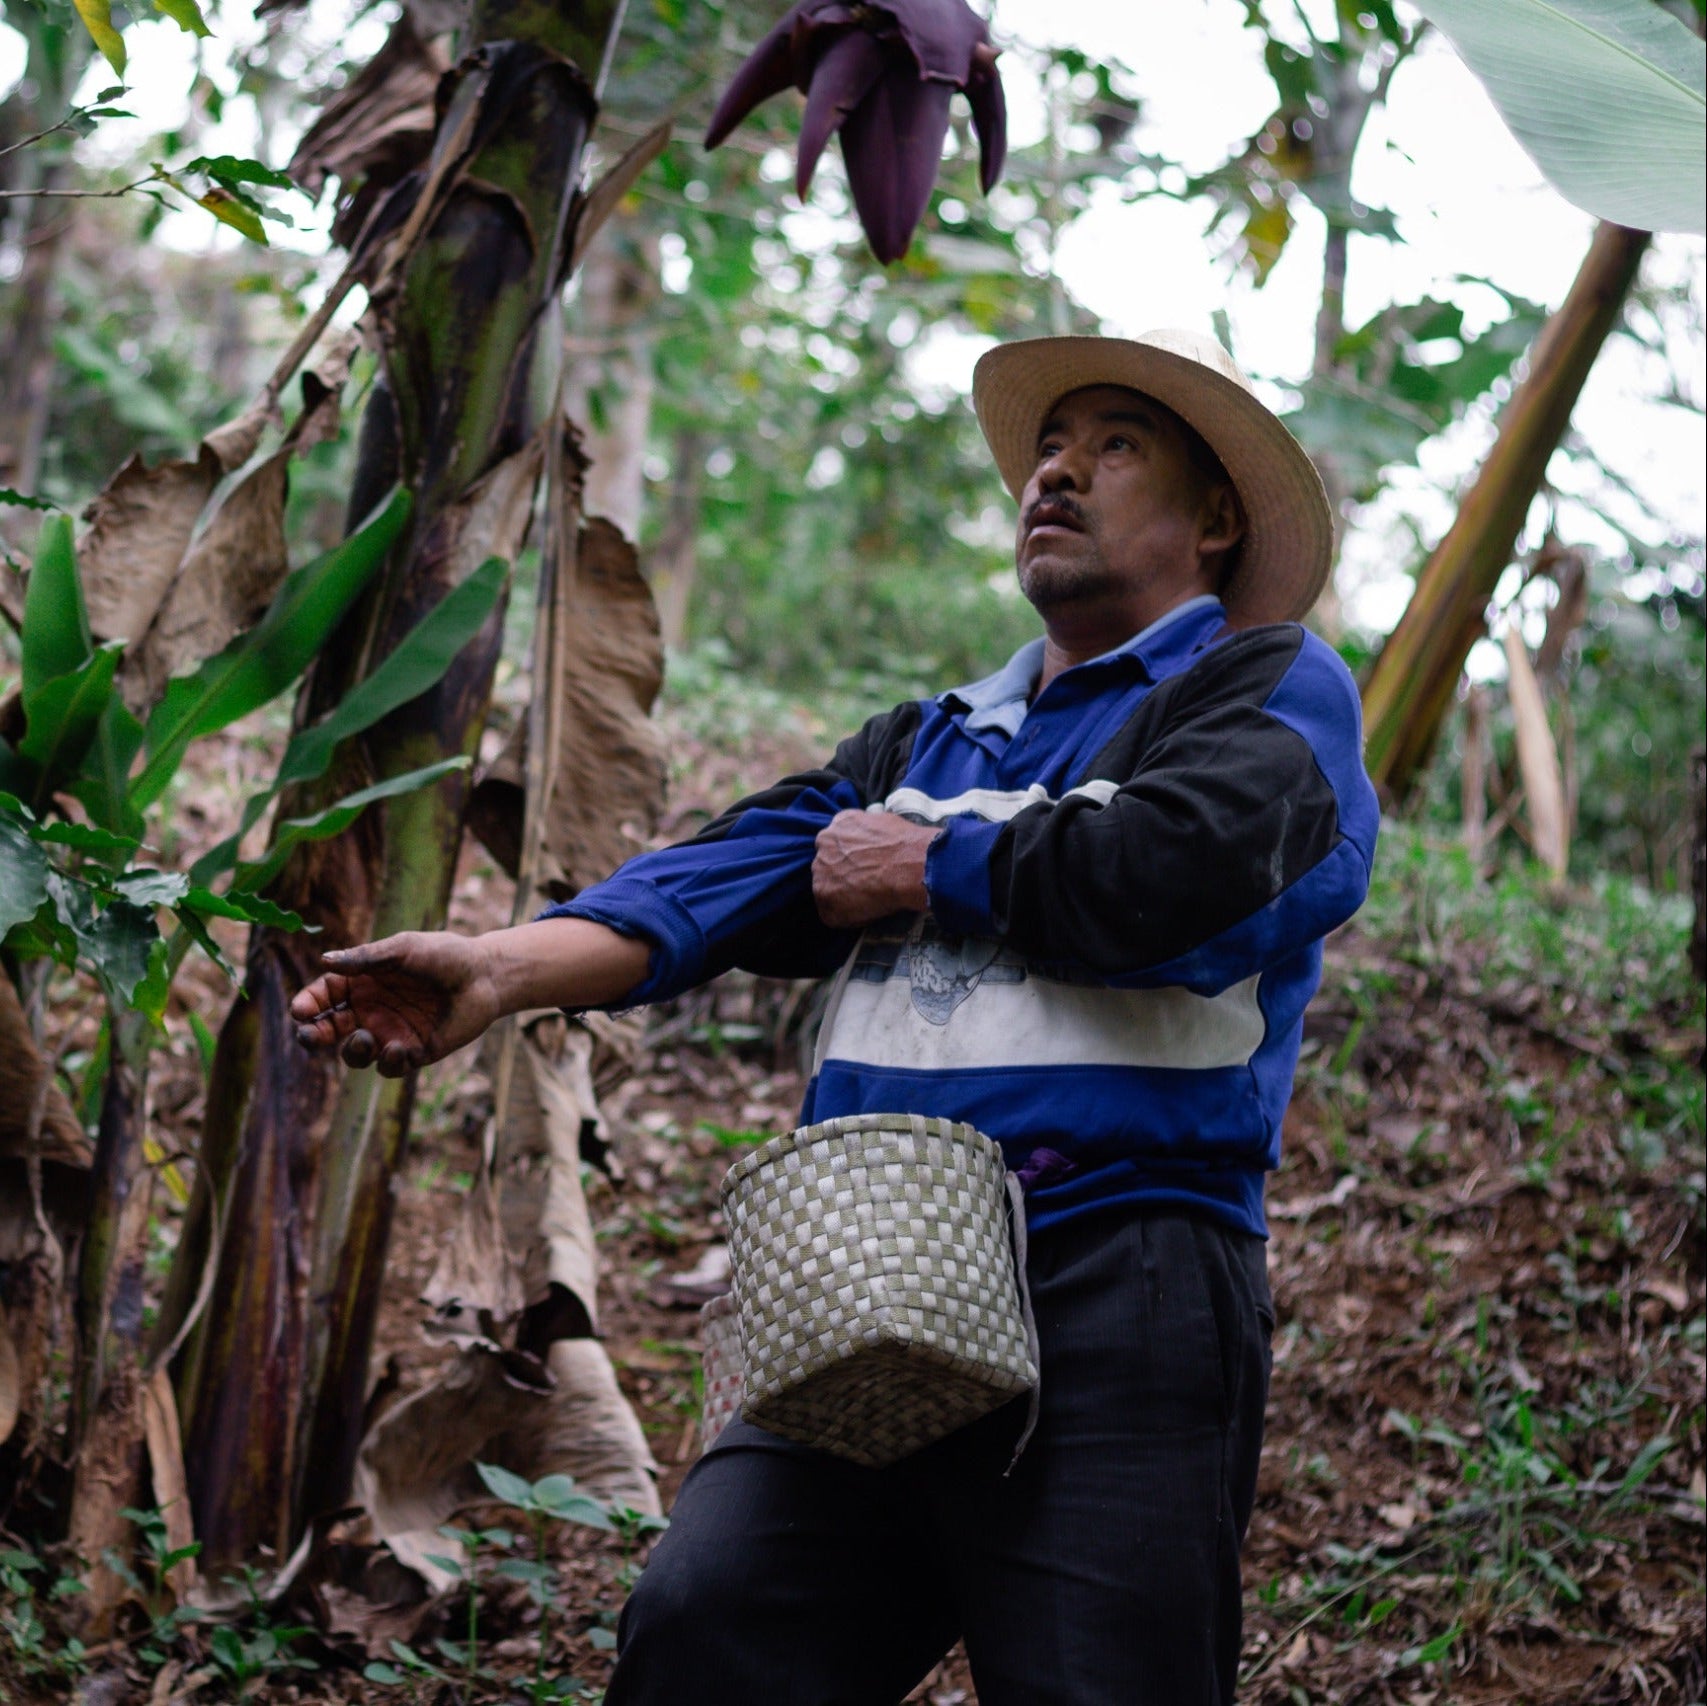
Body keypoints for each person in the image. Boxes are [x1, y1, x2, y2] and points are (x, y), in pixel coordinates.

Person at [291, 330, 1381, 1705]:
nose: (1057, 469)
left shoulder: (1265, 687)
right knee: (710, 1630)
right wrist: (502, 970)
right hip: (871, 1265)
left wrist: (930, 865)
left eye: (1115, 446)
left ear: (1216, 518)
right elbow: (735, 873)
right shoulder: (933, 739)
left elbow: (1184, 867)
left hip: (1124, 1268)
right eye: (1051, 446)